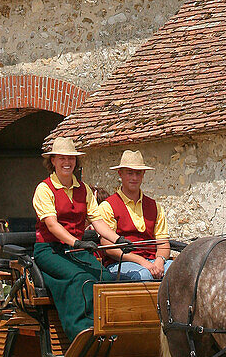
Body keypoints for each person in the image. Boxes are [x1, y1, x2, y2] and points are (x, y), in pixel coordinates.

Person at [33, 137, 122, 339]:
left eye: (71, 158)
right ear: (53, 161)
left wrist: (118, 240)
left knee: (104, 277)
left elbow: (98, 221)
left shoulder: (84, 189)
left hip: (76, 249)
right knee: (79, 278)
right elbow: (52, 224)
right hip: (49, 249)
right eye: (62, 158)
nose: (67, 162)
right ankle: (80, 332)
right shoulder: (44, 189)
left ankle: (106, 328)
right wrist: (76, 242)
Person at [98, 150, 172, 281]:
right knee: (143, 274)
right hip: (119, 263)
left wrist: (160, 260)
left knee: (183, 270)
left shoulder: (155, 207)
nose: (134, 178)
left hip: (152, 261)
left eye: (138, 173)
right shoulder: (107, 206)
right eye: (129, 173)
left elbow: (163, 243)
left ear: (143, 174)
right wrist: (142, 261)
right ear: (120, 174)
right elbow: (108, 248)